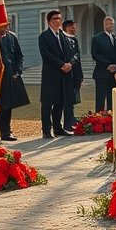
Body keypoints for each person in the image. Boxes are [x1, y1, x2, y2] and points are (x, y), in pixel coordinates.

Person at [38, 10, 75, 138]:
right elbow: (46, 54)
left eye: (59, 18)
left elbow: (70, 52)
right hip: (51, 75)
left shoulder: (63, 36)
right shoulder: (44, 36)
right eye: (55, 19)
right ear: (49, 21)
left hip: (64, 74)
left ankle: (58, 128)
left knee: (60, 102)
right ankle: (46, 130)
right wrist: (61, 64)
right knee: (48, 103)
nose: (58, 21)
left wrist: (70, 63)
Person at [91, 16, 116, 112]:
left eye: (112, 24)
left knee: (112, 96)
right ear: (104, 25)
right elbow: (95, 54)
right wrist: (108, 65)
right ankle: (99, 117)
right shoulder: (97, 38)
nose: (110, 26)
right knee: (100, 97)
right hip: (102, 72)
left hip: (114, 73)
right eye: (108, 24)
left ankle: (111, 115)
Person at [60, 19, 84, 129]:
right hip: (66, 73)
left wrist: (80, 75)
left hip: (75, 73)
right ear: (67, 27)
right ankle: (67, 123)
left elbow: (78, 56)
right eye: (73, 27)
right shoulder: (62, 39)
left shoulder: (74, 40)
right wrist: (71, 62)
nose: (75, 29)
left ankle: (71, 119)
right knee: (68, 99)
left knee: (73, 97)